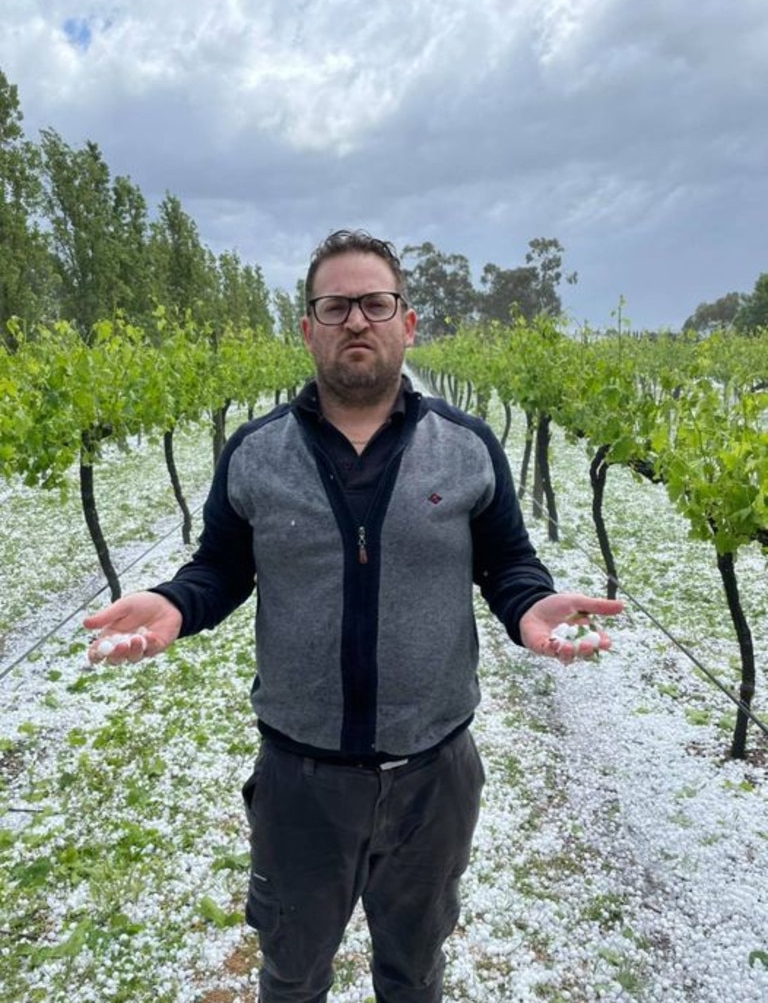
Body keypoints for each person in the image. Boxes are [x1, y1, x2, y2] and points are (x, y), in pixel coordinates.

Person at [85, 229, 623, 1003]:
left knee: (414, 973)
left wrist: (528, 605)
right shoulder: (255, 453)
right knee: (293, 974)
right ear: (308, 329)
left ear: (407, 323)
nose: (356, 321)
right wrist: (175, 602)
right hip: (301, 782)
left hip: (433, 779)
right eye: (334, 306)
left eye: (375, 303)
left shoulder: (468, 449)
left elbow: (506, 561)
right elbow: (221, 566)